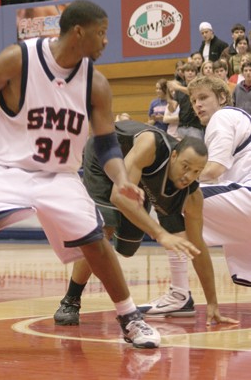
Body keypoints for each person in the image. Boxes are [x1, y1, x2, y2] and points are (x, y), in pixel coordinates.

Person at [0, 0, 162, 359]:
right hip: (0, 165)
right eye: (101, 33)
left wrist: (120, 179)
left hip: (56, 173)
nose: (105, 42)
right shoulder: (18, 59)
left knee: (95, 240)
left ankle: (130, 318)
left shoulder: (95, 84)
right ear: (79, 32)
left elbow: (105, 144)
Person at [53, 119, 237, 326]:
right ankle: (71, 300)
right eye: (185, 167)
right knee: (104, 229)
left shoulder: (192, 196)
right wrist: (160, 233)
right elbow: (119, 197)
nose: (188, 176)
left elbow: (198, 249)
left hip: (136, 172)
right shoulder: (151, 144)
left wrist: (212, 302)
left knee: (126, 248)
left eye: (196, 171)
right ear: (174, 156)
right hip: (103, 155)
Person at [142, 75, 251, 315]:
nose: (197, 104)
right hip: (242, 200)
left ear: (222, 97)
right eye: (193, 100)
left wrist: (172, 177)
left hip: (247, 197)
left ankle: (179, 293)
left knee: (171, 195)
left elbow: (214, 169)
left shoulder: (222, 117)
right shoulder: (237, 119)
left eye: (203, 97)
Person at [167, 63, 204, 140]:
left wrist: (177, 87)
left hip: (195, 127)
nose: (190, 73)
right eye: (187, 71)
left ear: (196, 74)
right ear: (183, 73)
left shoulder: (199, 85)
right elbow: (173, 108)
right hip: (181, 127)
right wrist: (169, 99)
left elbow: (193, 92)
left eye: (192, 71)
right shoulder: (179, 88)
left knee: (196, 150)